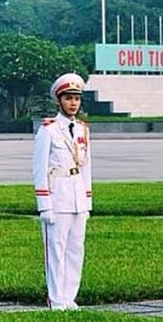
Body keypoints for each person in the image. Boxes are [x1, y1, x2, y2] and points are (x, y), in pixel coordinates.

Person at [32, 72, 93, 311]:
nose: (73, 103)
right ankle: (56, 298)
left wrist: (87, 202)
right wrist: (44, 204)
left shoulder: (82, 130)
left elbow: (86, 167)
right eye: (68, 98)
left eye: (76, 99)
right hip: (57, 198)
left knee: (75, 250)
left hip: (78, 198)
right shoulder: (48, 130)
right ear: (59, 101)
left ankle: (69, 297)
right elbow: (39, 169)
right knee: (56, 250)